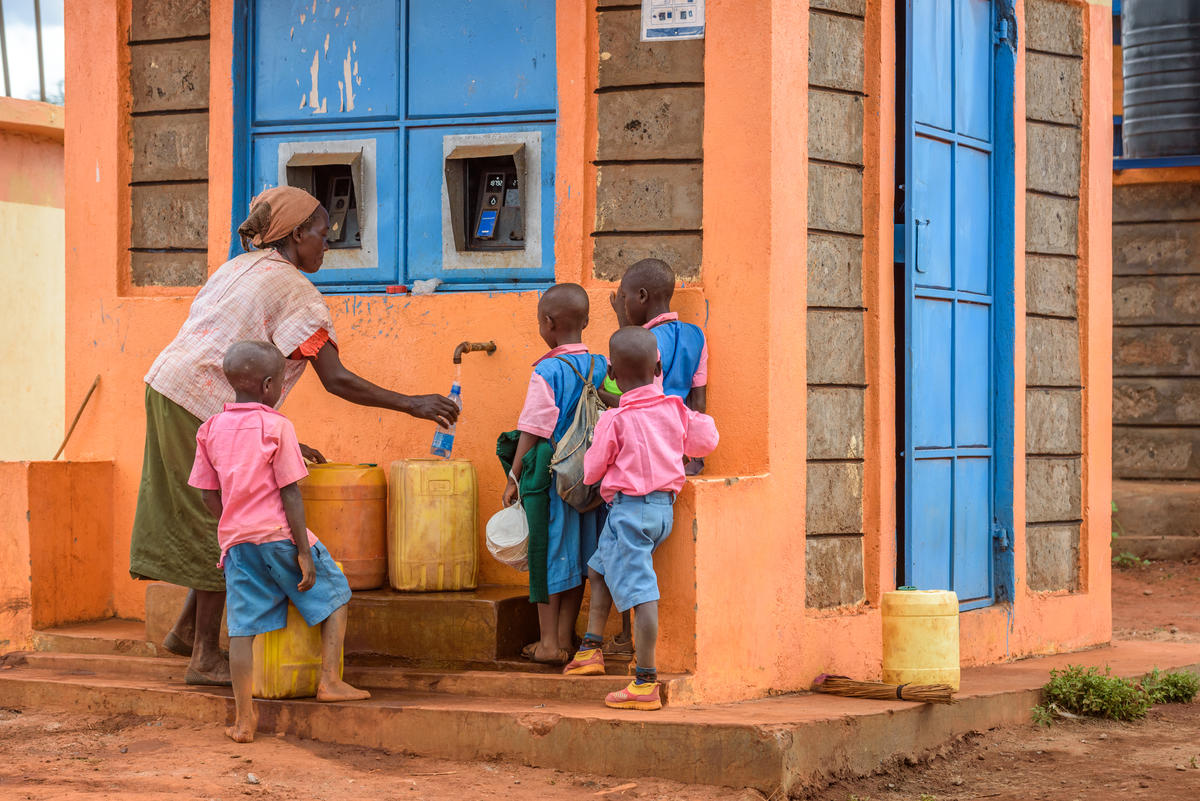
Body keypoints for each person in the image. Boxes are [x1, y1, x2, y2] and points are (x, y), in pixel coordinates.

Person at [129, 186, 459, 686]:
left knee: (231, 511)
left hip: (174, 388)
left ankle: (182, 632)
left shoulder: (241, 267)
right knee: (223, 522)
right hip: (198, 399)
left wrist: (272, 443)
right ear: (297, 234)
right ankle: (203, 656)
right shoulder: (297, 292)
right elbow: (336, 379)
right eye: (323, 236)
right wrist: (412, 404)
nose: (328, 245)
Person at [189, 341, 370, 743]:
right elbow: (290, 491)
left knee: (241, 629)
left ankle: (243, 720)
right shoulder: (276, 426)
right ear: (270, 385)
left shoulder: (210, 429)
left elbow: (206, 493)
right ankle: (330, 681)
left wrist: (232, 523)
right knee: (337, 593)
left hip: (237, 544)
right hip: (279, 537)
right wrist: (304, 553)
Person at [563, 327, 718, 710]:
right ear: (659, 366)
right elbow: (707, 440)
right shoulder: (676, 409)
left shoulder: (614, 420)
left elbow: (591, 472)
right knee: (598, 568)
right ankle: (591, 649)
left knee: (641, 593)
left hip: (630, 513)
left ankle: (646, 682)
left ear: (611, 374)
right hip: (661, 510)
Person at [602, 257, 712, 656]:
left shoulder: (644, 343)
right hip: (678, 448)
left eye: (626, 297)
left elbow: (635, 395)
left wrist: (620, 328)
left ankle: (626, 638)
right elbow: (697, 397)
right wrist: (694, 457)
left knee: (627, 553)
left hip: (645, 455)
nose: (623, 302)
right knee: (639, 555)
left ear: (642, 297)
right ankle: (622, 636)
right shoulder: (696, 335)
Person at [501, 284, 608, 664]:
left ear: (547, 324)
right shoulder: (601, 364)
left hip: (553, 481)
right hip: (590, 481)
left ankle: (548, 644)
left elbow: (533, 429)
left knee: (547, 558)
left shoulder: (548, 370)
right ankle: (565, 640)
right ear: (587, 321)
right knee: (581, 559)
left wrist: (514, 477)